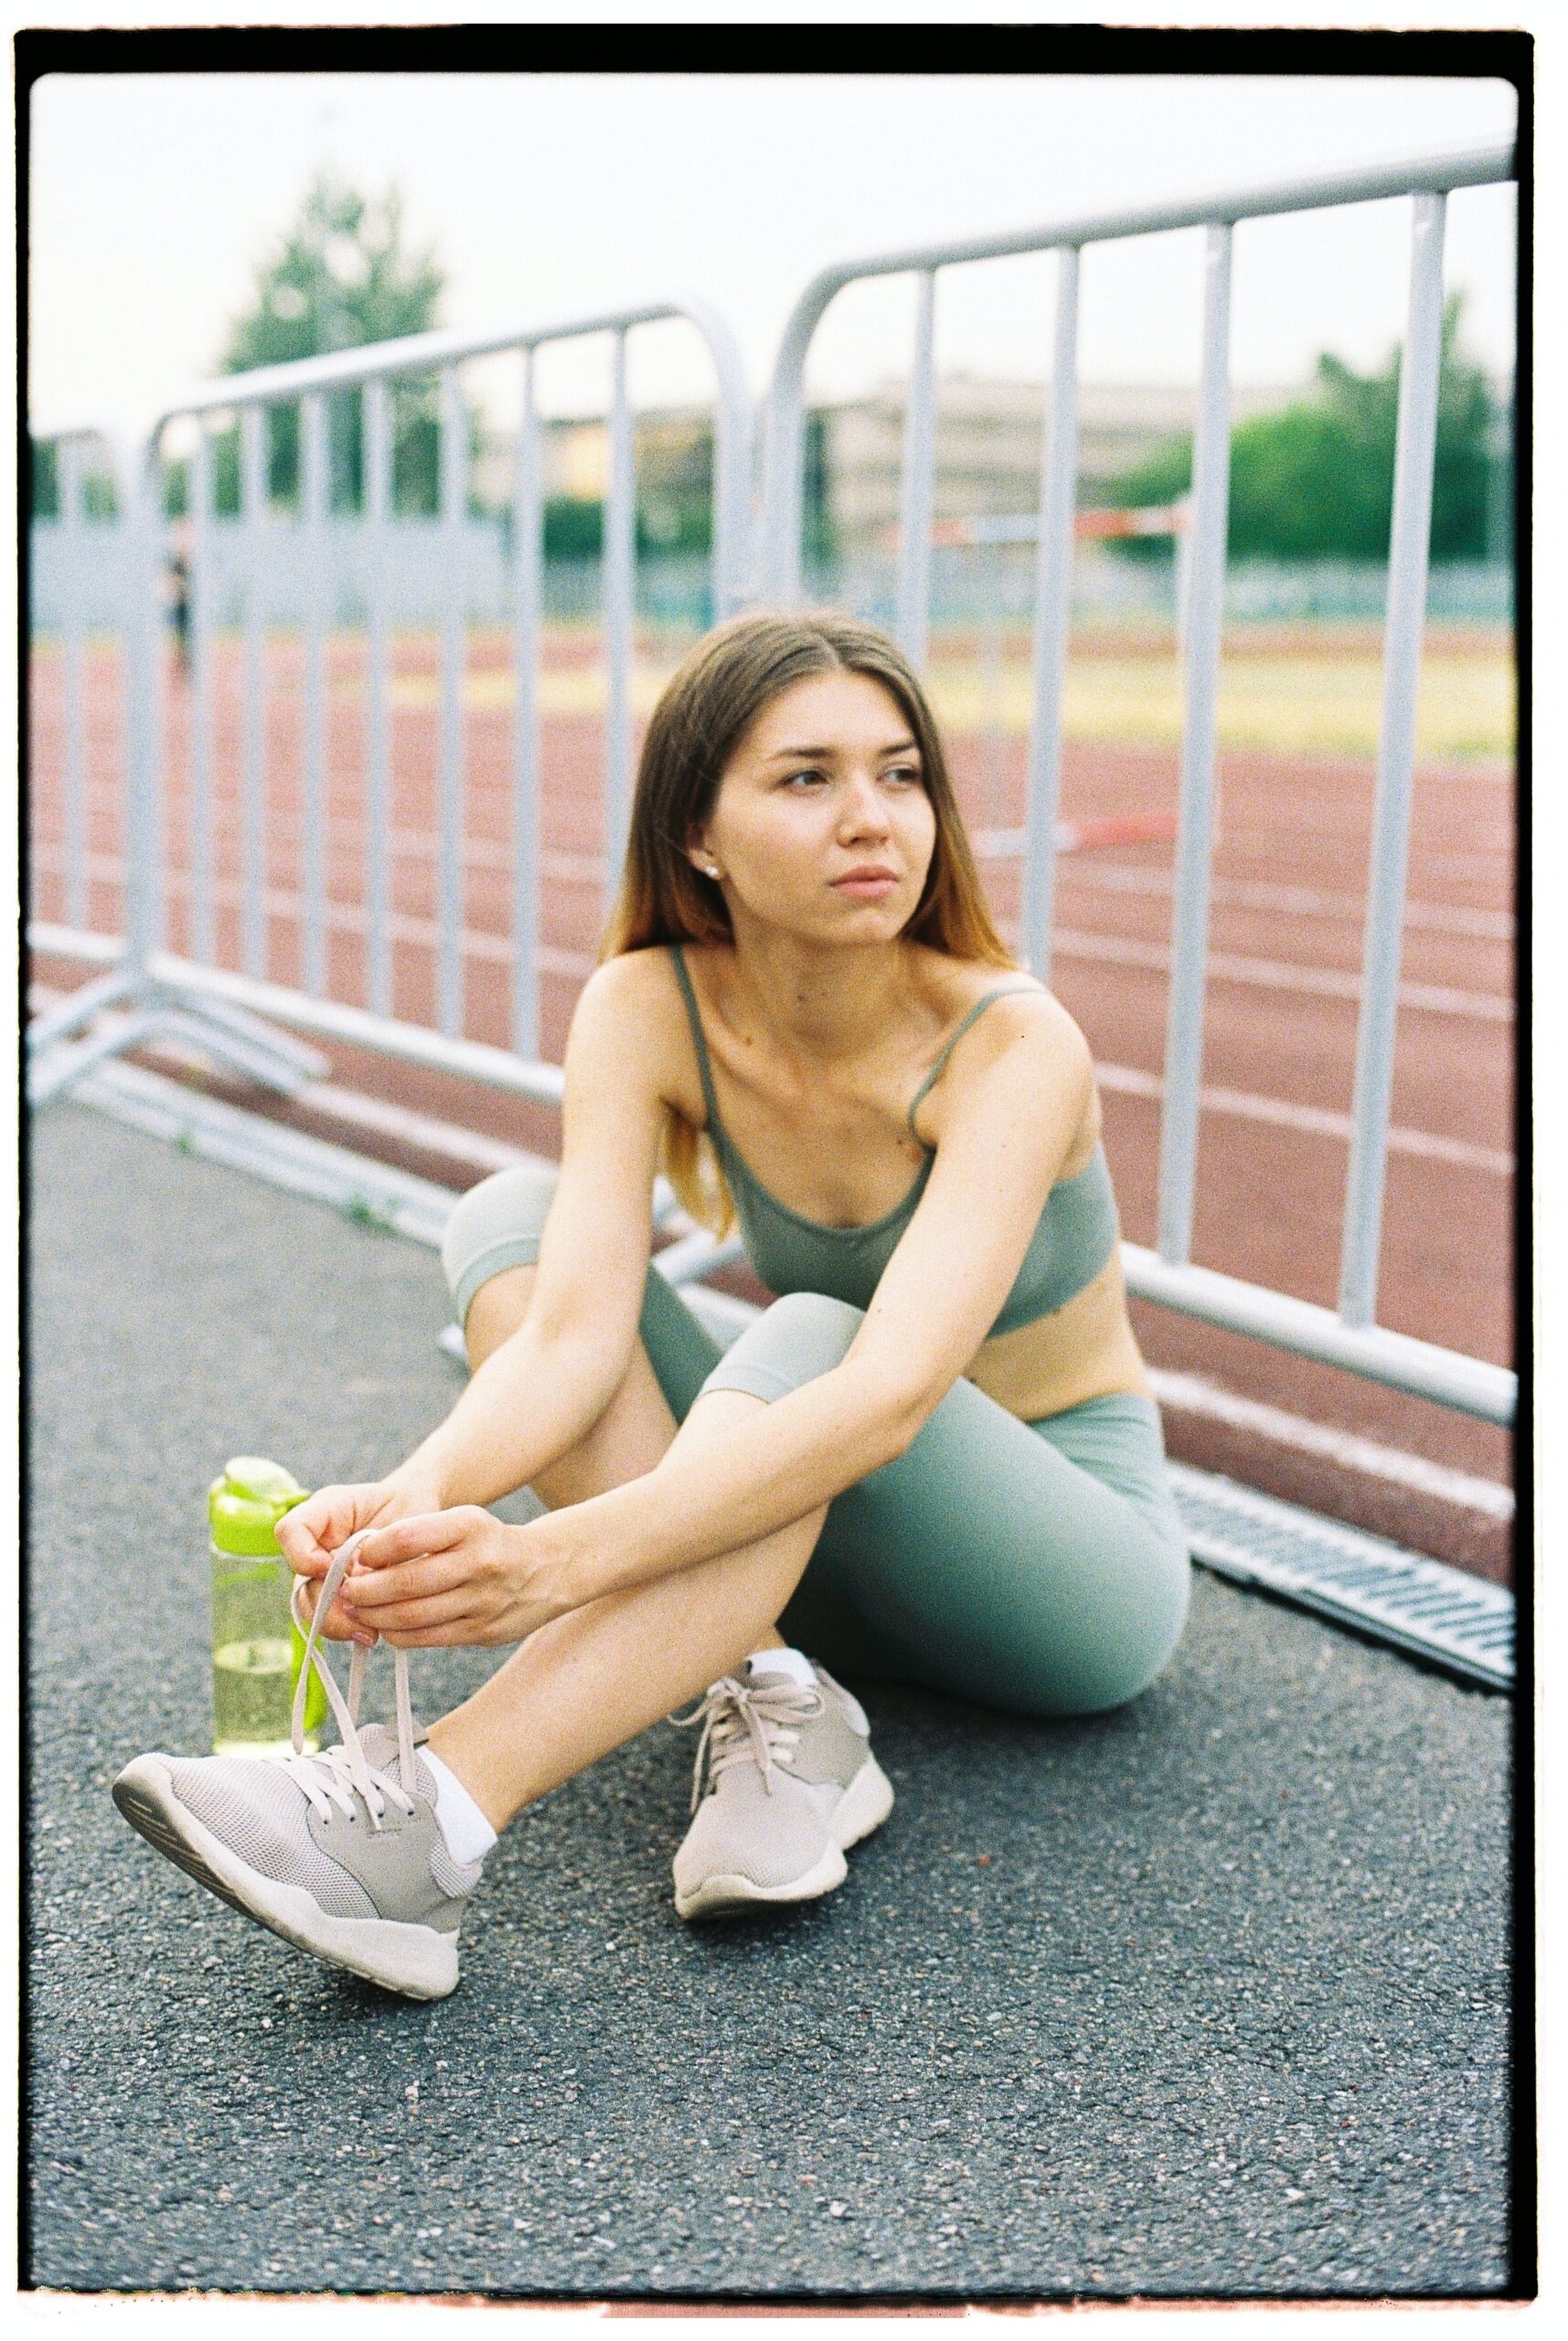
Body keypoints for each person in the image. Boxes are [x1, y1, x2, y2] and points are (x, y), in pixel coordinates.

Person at [112, 610, 1191, 2003]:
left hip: (1061, 1568)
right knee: (509, 1217)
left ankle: (429, 1823)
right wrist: (419, 1487)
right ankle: (774, 1694)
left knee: (809, 1341)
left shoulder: (1012, 1043)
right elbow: (570, 1334)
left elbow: (890, 1398)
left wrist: (553, 1564)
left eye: (902, 773)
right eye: (806, 778)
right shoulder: (648, 1003)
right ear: (697, 832)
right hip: (803, 1536)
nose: (872, 818)